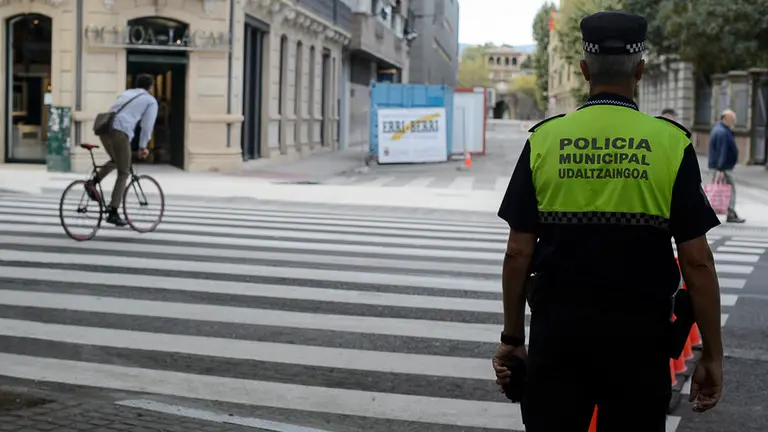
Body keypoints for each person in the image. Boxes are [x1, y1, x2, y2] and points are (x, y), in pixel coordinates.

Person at [492, 11, 724, 432]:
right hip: (639, 343)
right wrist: (712, 353)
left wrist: (512, 340)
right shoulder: (670, 144)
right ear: (640, 70)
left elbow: (517, 250)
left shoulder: (545, 140)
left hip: (558, 336)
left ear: (583, 70)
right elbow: (697, 262)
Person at [87, 74, 158, 226]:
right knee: (124, 172)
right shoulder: (150, 101)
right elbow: (147, 126)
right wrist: (143, 147)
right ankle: (113, 211)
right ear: (151, 87)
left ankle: (92, 183)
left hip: (104, 129)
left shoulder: (126, 93)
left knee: (116, 160)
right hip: (120, 131)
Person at [708, 109, 745, 223]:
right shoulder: (723, 132)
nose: (734, 121)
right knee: (729, 190)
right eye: (732, 119)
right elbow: (722, 151)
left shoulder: (720, 130)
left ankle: (715, 213)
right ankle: (730, 213)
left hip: (721, 166)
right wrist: (721, 167)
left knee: (721, 189)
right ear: (726, 119)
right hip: (723, 167)